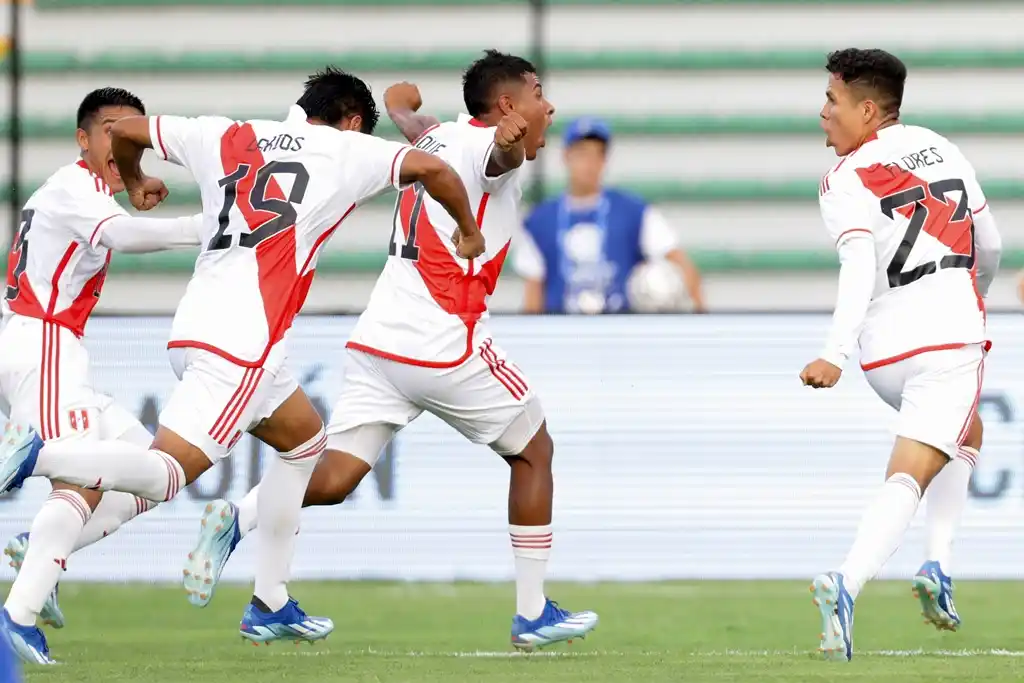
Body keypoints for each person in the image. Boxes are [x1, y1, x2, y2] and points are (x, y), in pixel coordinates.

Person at [0, 67, 484, 653]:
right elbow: (434, 167)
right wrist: (467, 230)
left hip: (198, 327)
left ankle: (270, 600)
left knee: (305, 441)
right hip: (243, 345)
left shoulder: (224, 134)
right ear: (353, 121)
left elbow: (126, 129)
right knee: (166, 474)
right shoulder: (345, 149)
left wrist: (134, 180)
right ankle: (38, 455)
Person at [178, 50, 598, 651]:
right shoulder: (487, 148)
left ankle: (237, 518)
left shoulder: (439, 138)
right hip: (442, 342)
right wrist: (508, 144)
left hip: (378, 341)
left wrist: (401, 104)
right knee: (534, 449)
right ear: (507, 106)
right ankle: (533, 613)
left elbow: (415, 127)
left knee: (338, 474)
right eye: (536, 93)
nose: (548, 105)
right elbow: (499, 159)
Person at [801, 48, 1001, 662]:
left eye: (831, 101)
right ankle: (847, 581)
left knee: (969, 428)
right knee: (911, 470)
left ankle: (937, 564)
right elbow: (988, 245)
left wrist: (842, 351)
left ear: (867, 109)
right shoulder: (942, 148)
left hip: (884, 351)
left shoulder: (843, 179)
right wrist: (973, 299)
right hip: (947, 337)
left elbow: (860, 259)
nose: (821, 114)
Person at [0, 87, 207, 664]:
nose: (121, 141)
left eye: (131, 130)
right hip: (44, 340)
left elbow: (116, 222)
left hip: (50, 344)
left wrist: (138, 191)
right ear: (83, 139)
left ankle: (32, 549)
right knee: (83, 482)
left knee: (149, 470)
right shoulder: (74, 188)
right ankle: (17, 618)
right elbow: (118, 234)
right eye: (109, 129)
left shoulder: (88, 191)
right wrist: (201, 226)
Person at [512, 117, 706, 314]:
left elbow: (682, 264)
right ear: (566, 156)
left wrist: (699, 319)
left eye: (597, 155)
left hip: (620, 333)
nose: (589, 164)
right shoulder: (540, 221)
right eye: (582, 154)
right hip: (562, 333)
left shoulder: (633, 211)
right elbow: (533, 293)